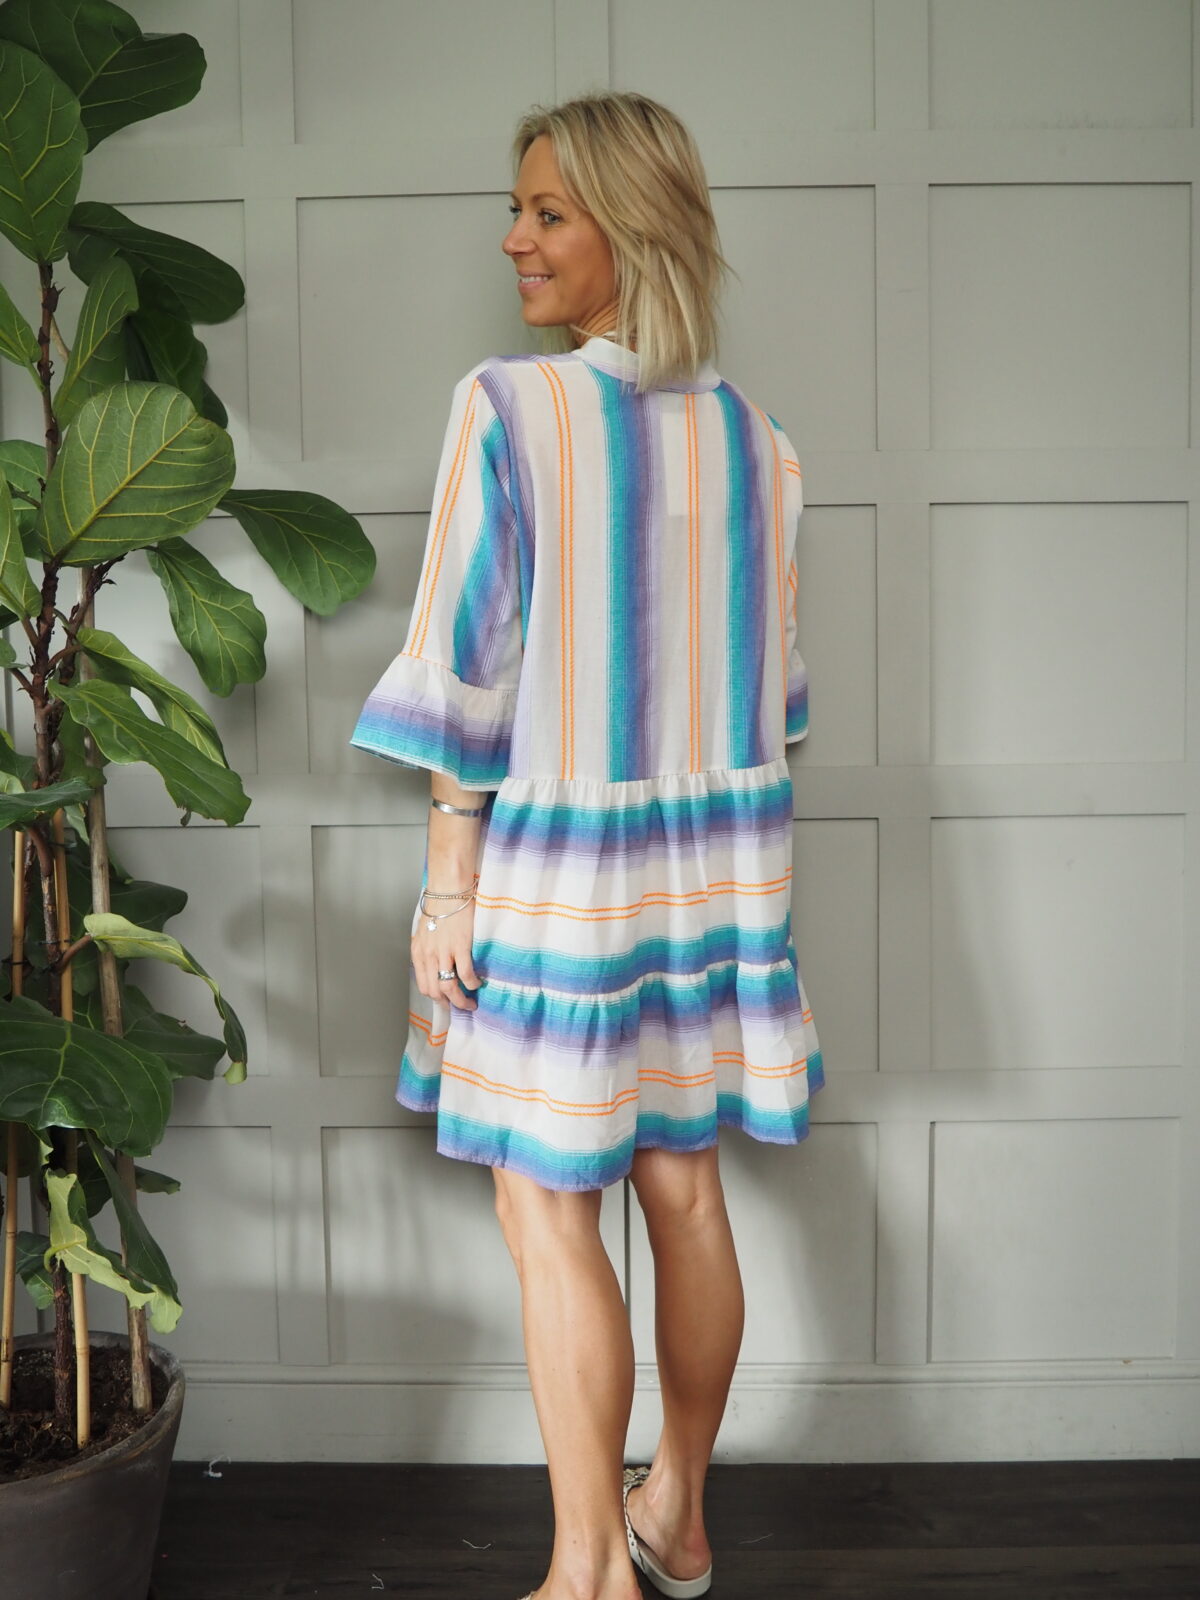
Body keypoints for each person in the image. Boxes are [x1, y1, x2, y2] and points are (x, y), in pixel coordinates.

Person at [349, 91, 824, 1600]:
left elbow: (466, 666)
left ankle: (584, 1575)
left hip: (564, 863)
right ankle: (673, 1514)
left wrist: (448, 880)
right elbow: (778, 703)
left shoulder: (512, 409)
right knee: (684, 1189)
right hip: (720, 868)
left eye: (548, 211)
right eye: (519, 208)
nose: (515, 239)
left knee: (547, 1207)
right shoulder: (763, 446)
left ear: (633, 225)